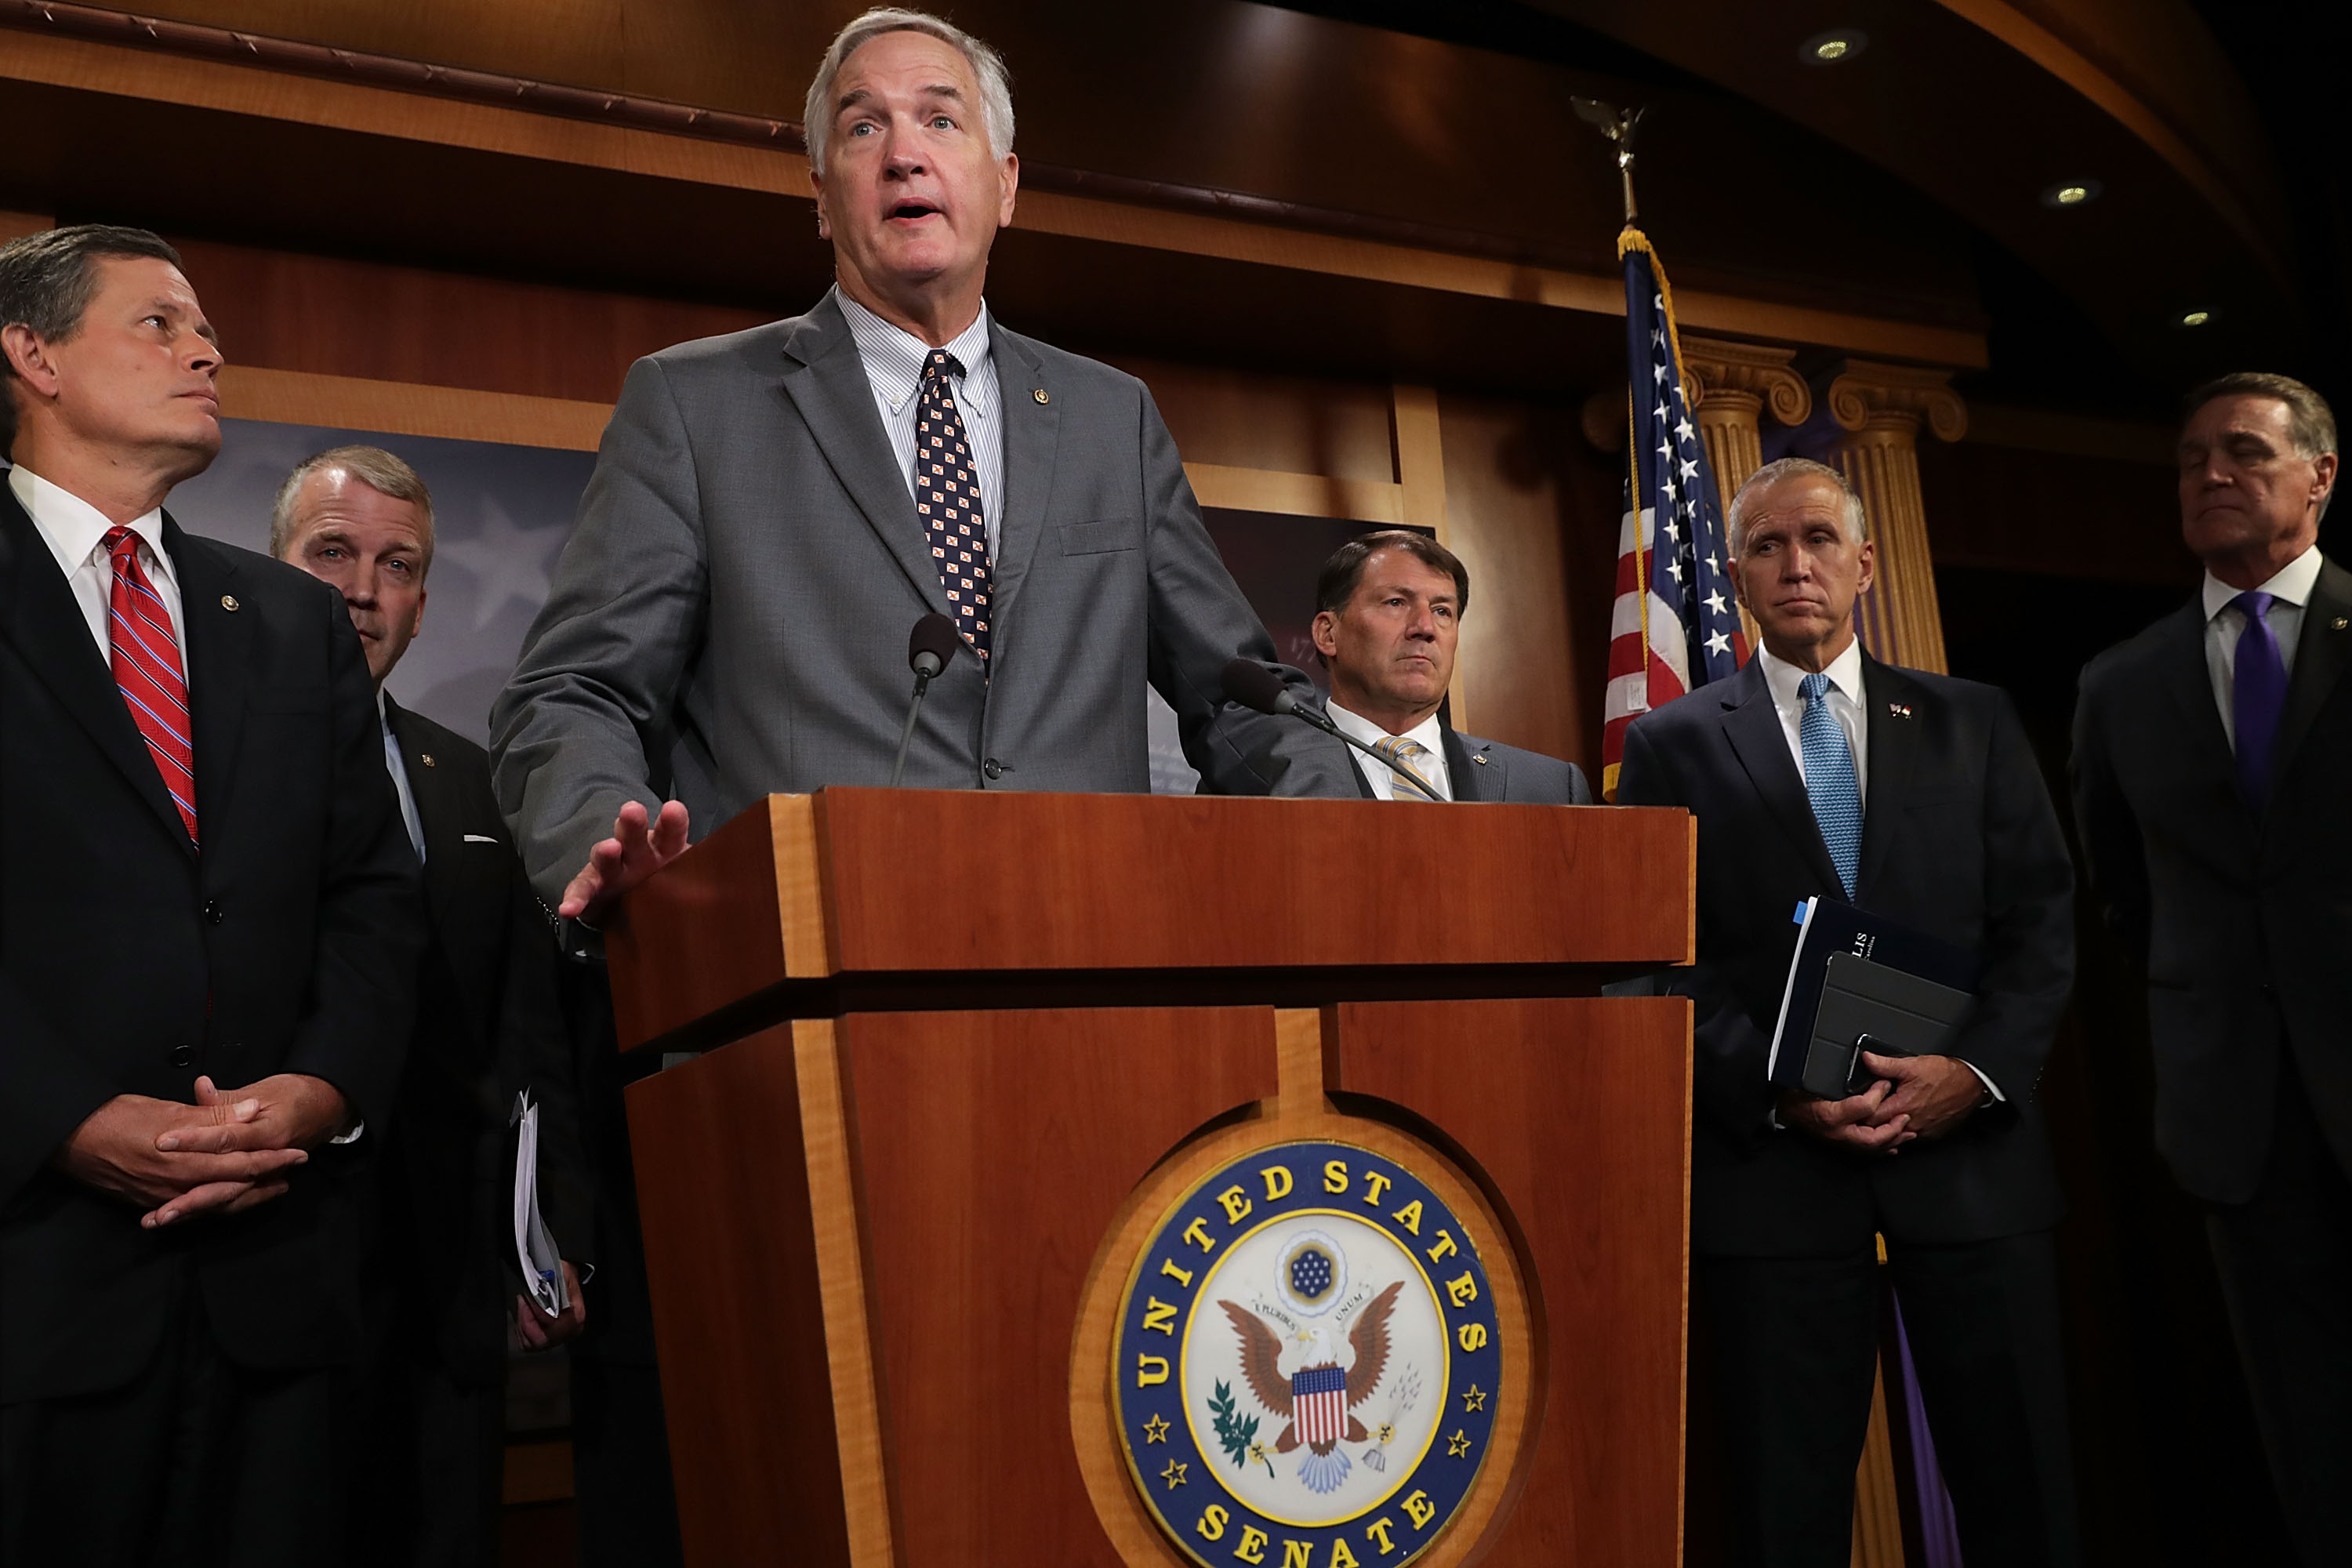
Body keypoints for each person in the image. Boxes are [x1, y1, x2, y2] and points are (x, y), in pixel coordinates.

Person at [489, 5, 1356, 928]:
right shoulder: (695, 405)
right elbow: (572, 690)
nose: (905, 154)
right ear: (822, 197)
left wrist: (1350, 839)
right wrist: (603, 839)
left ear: (1005, 183)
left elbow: (1242, 697)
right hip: (815, 958)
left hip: (1092, 956)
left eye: (941, 119)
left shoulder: (1113, 417)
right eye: (865, 128)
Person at [0, 226, 421, 1565]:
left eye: (206, 328)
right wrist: (64, 1119)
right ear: (33, 354)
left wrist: (319, 1092)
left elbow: (374, 902)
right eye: (161, 324)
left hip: (274, 1295)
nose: (207, 352)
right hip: (33, 1288)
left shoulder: (288, 622)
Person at [1616, 456, 2078, 1566]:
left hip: (1973, 1168)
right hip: (1776, 1183)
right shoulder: (1672, 743)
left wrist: (1973, 1073)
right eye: (1768, 546)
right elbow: (1654, 962)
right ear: (1736, 576)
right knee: (1786, 1515)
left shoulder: (1973, 720)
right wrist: (1782, 1092)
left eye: (1820, 539)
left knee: (2023, 1497)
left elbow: (2042, 925)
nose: (1797, 565)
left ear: (1865, 564)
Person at [271, 446, 595, 1566]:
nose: (362, 589)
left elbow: (525, 1033)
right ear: (270, 569)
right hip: (270, 1273)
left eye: (397, 564)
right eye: (331, 552)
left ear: (421, 601)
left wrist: (549, 1236)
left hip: (446, 1290)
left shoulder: (471, 777)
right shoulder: (199, 762)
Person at [2071, 372, 2351, 1565]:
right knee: (2312, 1435)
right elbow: (2122, 895)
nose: (2212, 474)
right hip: (2238, 1118)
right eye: (2193, 459)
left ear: (2319, 477)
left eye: (2244, 451)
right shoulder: (2121, 684)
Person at [1308, 529, 1589, 803]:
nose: (1425, 627)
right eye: (1396, 603)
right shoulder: (1284, 772)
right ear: (1328, 634)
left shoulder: (1549, 787)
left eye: (1442, 611)